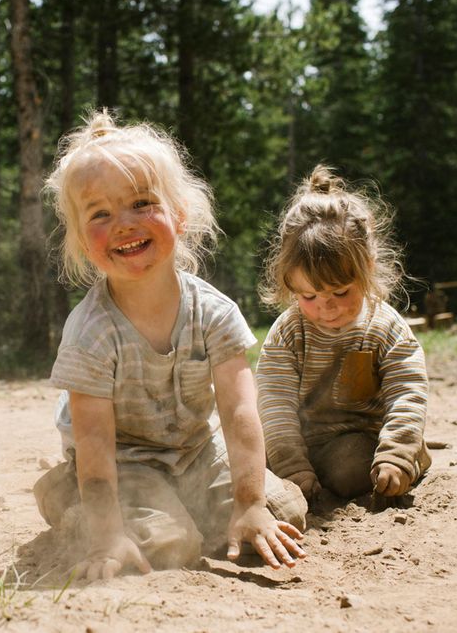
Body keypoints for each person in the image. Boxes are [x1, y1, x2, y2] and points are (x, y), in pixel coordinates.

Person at [33, 110, 307, 581]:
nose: (123, 223)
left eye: (141, 203)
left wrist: (250, 503)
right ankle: (67, 495)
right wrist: (106, 534)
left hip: (196, 451)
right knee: (166, 545)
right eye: (100, 214)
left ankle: (187, 506)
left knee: (283, 510)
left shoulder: (214, 312)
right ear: (80, 240)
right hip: (121, 460)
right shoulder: (90, 333)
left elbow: (240, 413)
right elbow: (96, 443)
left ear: (179, 215)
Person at [256, 165, 430, 506]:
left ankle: (410, 455)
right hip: (297, 439)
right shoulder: (288, 333)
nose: (327, 308)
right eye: (309, 297)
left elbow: (407, 391)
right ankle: (302, 473)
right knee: (248, 456)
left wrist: (396, 450)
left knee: (350, 470)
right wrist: (291, 467)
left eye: (340, 293)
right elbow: (275, 405)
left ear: (367, 266)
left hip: (358, 438)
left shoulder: (385, 328)